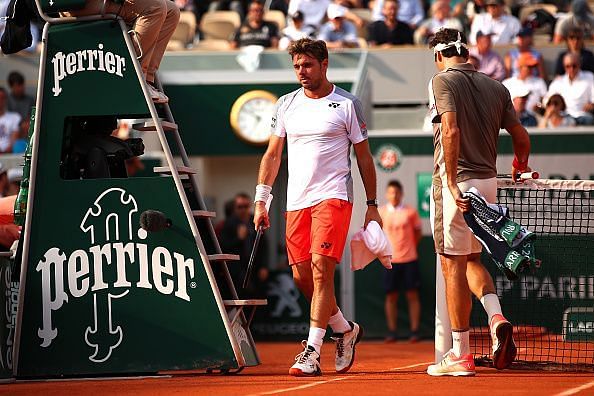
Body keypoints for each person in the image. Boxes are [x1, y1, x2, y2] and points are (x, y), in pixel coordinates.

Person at [254, 38, 381, 376]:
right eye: (297, 66)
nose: (301, 72)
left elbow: (364, 159)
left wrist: (372, 204)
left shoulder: (347, 104)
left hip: (334, 196)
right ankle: (344, 329)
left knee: (322, 269)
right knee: (301, 276)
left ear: (324, 64)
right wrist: (261, 199)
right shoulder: (285, 104)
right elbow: (272, 155)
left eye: (308, 65)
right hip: (296, 201)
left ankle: (311, 350)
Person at [426, 28, 531, 376]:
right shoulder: (497, 87)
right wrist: (521, 166)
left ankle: (460, 354)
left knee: (451, 265)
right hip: (488, 185)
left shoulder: (441, 82)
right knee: (471, 259)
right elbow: (520, 135)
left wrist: (452, 182)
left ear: (439, 56)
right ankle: (496, 318)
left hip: (455, 185)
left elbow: (450, 130)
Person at [65, 0, 179, 104]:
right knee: (155, 6)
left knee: (172, 10)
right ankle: (134, 79)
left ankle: (146, 80)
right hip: (78, 4)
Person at [379, 180, 422, 343]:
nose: (394, 195)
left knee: (412, 295)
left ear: (401, 194)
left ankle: (415, 331)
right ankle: (392, 331)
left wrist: (409, 248)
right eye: (391, 192)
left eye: (397, 192)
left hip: (410, 260)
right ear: (387, 194)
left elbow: (417, 233)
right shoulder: (381, 212)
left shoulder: (411, 212)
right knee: (391, 296)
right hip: (390, 261)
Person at [221, 192, 269, 298]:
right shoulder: (229, 223)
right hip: (237, 270)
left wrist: (264, 266)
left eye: (246, 206)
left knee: (257, 299)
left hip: (254, 269)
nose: (243, 210)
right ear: (235, 208)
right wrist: (239, 239)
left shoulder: (255, 221)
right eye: (240, 207)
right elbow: (223, 246)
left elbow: (263, 246)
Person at [546, 52, 594, 125]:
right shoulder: (558, 82)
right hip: (563, 117)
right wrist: (553, 106)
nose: (571, 69)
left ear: (579, 64)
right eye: (567, 66)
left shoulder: (589, 77)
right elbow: (547, 100)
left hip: (582, 116)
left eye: (574, 66)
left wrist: (592, 105)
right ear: (564, 67)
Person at [0, 88, 21, 154]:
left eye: (2, 98)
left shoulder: (15, 117)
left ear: (6, 99)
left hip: (8, 154)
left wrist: (5, 151)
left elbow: (14, 140)